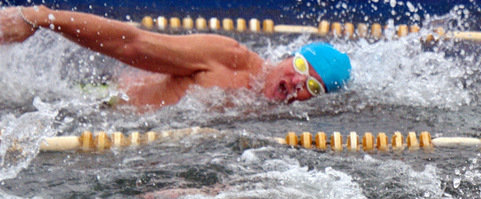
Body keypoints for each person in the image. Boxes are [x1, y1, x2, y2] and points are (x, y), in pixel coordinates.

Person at [0, 5, 351, 107]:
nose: (294, 83)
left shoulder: (274, 118)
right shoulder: (228, 57)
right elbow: (132, 44)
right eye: (301, 68)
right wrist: (43, 18)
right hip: (94, 104)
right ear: (292, 55)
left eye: (312, 88)